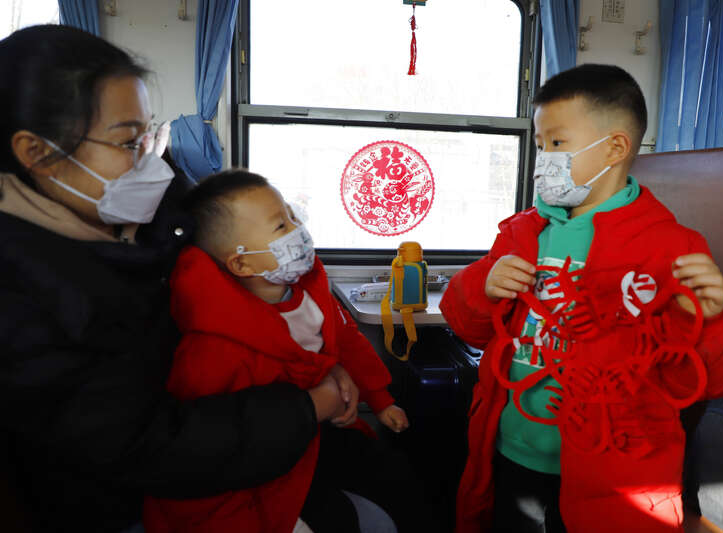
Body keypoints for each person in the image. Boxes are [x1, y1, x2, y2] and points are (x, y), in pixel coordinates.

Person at [0, 25, 350, 533]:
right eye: (128, 142)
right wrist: (308, 406)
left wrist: (321, 367)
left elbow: (251, 286)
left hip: (250, 432)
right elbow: (140, 445)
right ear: (36, 152)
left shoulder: (154, 212)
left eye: (149, 136)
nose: (149, 162)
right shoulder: (20, 295)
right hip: (131, 501)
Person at [440, 64, 723, 533]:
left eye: (557, 143)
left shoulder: (672, 248)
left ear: (615, 147)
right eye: (540, 144)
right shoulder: (522, 232)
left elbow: (713, 380)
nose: (544, 157)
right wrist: (482, 284)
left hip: (616, 473)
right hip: (513, 454)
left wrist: (709, 317)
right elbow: (469, 328)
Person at [142, 170, 413, 533]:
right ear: (242, 263)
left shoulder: (310, 292)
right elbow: (212, 446)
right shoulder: (213, 348)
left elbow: (347, 341)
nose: (297, 230)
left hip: (318, 431)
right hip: (263, 462)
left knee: (397, 477)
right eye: (280, 226)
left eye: (291, 216)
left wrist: (380, 399)